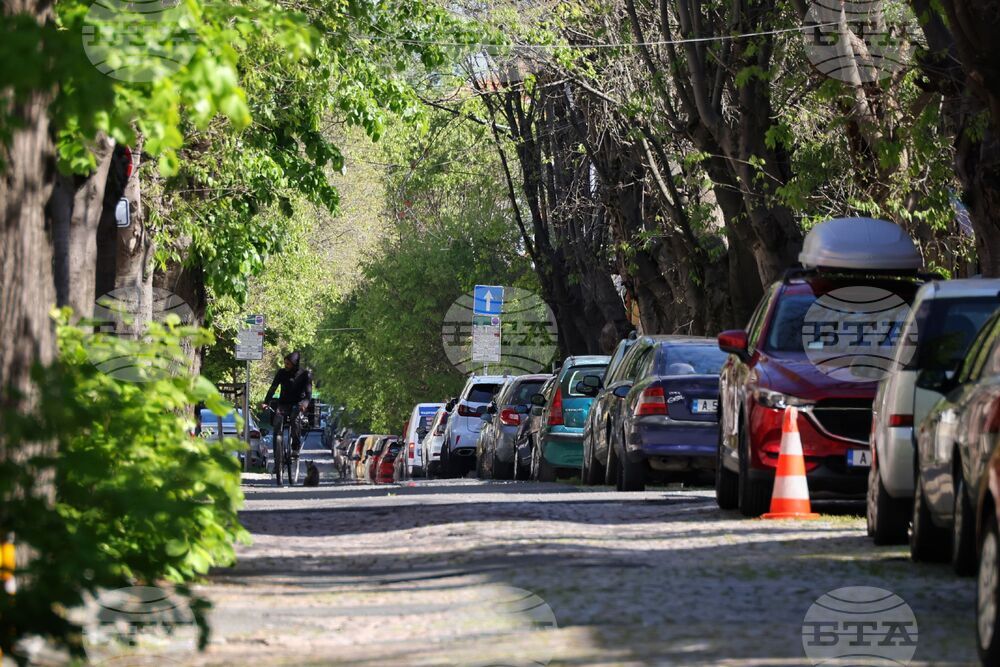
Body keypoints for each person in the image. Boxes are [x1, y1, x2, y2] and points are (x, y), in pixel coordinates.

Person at [262, 351, 312, 454]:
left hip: (298, 403)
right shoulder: (281, 372)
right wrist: (266, 401)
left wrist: (304, 404)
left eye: (288, 364)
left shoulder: (305, 374)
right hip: (283, 403)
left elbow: (308, 394)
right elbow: (273, 388)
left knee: (295, 419)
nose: (286, 366)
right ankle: (277, 451)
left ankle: (295, 448)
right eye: (285, 363)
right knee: (278, 418)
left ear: (294, 364)